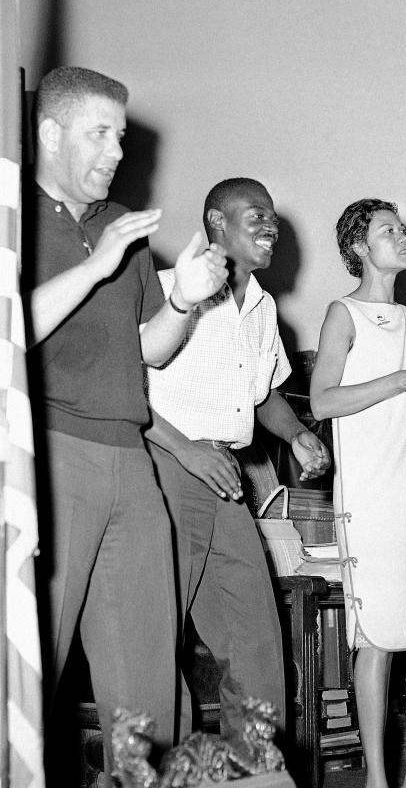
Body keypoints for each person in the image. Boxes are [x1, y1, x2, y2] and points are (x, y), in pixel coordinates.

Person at [22, 66, 228, 760]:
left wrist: (184, 300)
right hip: (48, 454)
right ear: (51, 133)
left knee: (146, 685)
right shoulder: (6, 215)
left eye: (122, 135)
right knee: (29, 667)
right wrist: (96, 265)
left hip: (131, 463)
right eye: (99, 133)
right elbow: (1, 329)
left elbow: (152, 351)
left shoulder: (122, 229)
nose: (116, 151)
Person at [144, 177, 331, 744]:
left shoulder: (264, 307)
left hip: (224, 480)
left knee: (255, 643)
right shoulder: (167, 287)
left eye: (273, 214)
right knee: (153, 641)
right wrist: (186, 450)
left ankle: (250, 772)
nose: (271, 224)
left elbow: (262, 394)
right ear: (215, 223)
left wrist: (297, 433)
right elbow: (121, 381)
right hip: (164, 466)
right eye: (256, 214)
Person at [309, 199, 406, 788]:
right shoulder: (343, 312)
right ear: (358, 248)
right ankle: (377, 777)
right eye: (387, 231)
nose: (402, 238)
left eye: (402, 230)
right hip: (371, 491)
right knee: (377, 633)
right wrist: (403, 378)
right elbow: (323, 401)